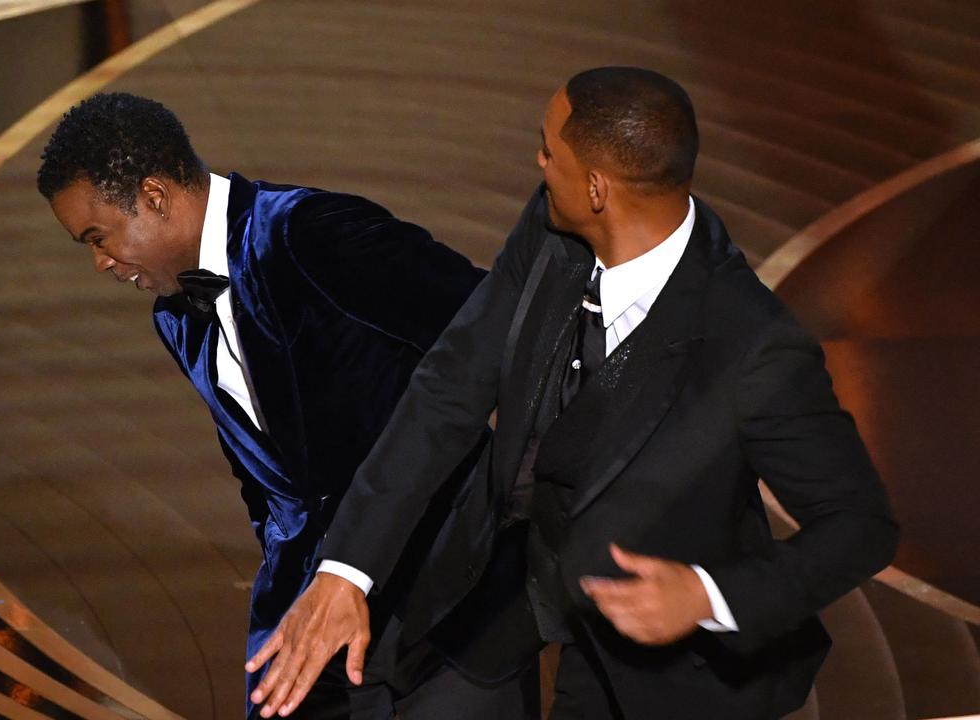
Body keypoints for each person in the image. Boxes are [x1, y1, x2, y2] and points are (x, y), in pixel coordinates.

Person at [246, 67, 900, 719]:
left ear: (596, 188)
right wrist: (346, 570)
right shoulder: (553, 227)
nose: (538, 161)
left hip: (669, 669)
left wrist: (706, 596)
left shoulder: (752, 348)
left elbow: (861, 526)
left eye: (548, 151)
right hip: (511, 582)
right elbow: (449, 386)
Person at [37, 93, 539, 719]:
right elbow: (263, 476)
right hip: (307, 614)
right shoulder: (175, 317)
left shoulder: (311, 233)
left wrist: (527, 498)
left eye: (98, 237)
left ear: (155, 196)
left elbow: (495, 332)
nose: (99, 263)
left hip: (450, 604)